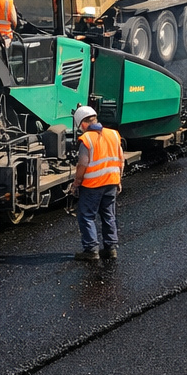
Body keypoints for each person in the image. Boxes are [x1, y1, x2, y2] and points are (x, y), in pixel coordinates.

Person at [71, 105, 123, 261]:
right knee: (108, 215)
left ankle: (91, 250)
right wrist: (119, 179)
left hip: (93, 185)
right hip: (111, 182)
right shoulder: (113, 134)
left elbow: (83, 163)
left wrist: (76, 183)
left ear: (83, 124)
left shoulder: (87, 139)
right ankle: (110, 249)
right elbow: (121, 159)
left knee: (86, 216)